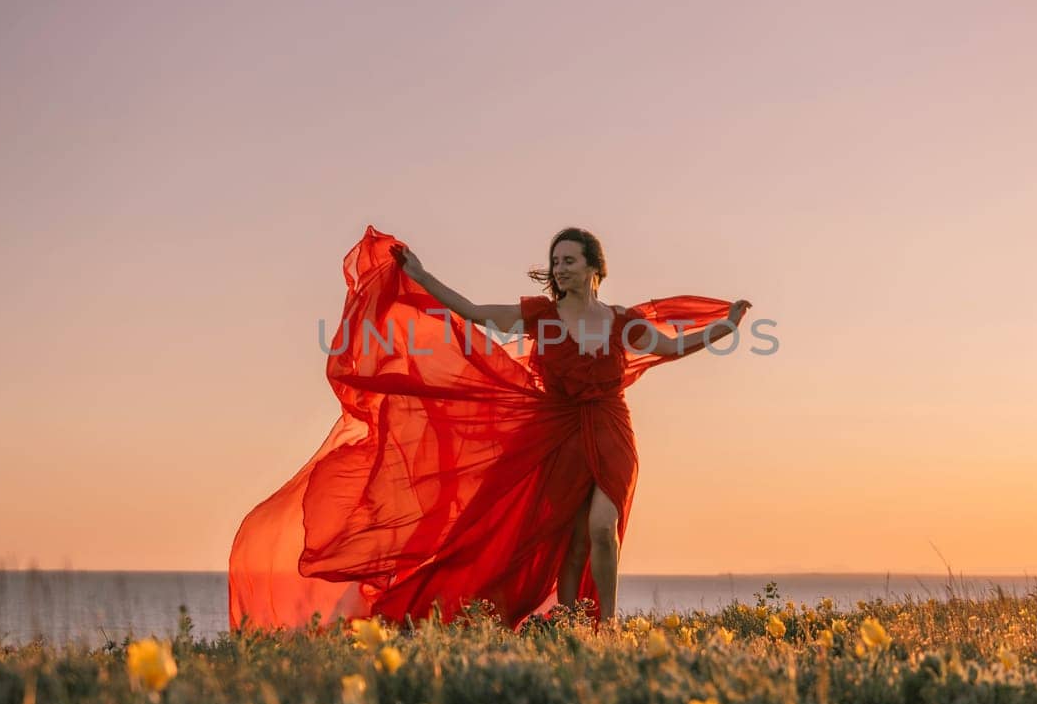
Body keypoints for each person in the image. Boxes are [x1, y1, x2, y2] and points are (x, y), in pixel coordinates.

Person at [227, 225, 750, 631]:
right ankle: (572, 626)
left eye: (570, 260)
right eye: (555, 262)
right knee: (567, 541)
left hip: (611, 429)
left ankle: (605, 628)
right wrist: (422, 276)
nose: (560, 268)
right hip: (558, 434)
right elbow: (474, 313)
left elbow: (670, 346)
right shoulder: (540, 315)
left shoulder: (621, 319)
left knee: (600, 529)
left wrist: (722, 328)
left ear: (595, 268)